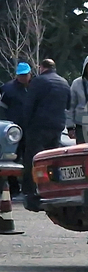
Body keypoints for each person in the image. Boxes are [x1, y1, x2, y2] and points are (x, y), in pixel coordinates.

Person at [22, 59, 71, 211]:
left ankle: (31, 194)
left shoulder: (38, 81)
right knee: (52, 161)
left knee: (33, 160)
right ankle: (52, 191)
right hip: (56, 126)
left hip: (38, 126)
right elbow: (68, 105)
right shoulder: (64, 82)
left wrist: (24, 124)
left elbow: (29, 104)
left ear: (41, 67)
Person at [1, 62, 32, 195]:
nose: (23, 78)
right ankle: (13, 186)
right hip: (13, 131)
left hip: (30, 128)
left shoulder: (35, 88)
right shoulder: (8, 89)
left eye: (25, 75)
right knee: (11, 158)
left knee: (29, 157)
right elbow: (2, 108)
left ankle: (28, 186)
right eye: (20, 75)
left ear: (30, 74)